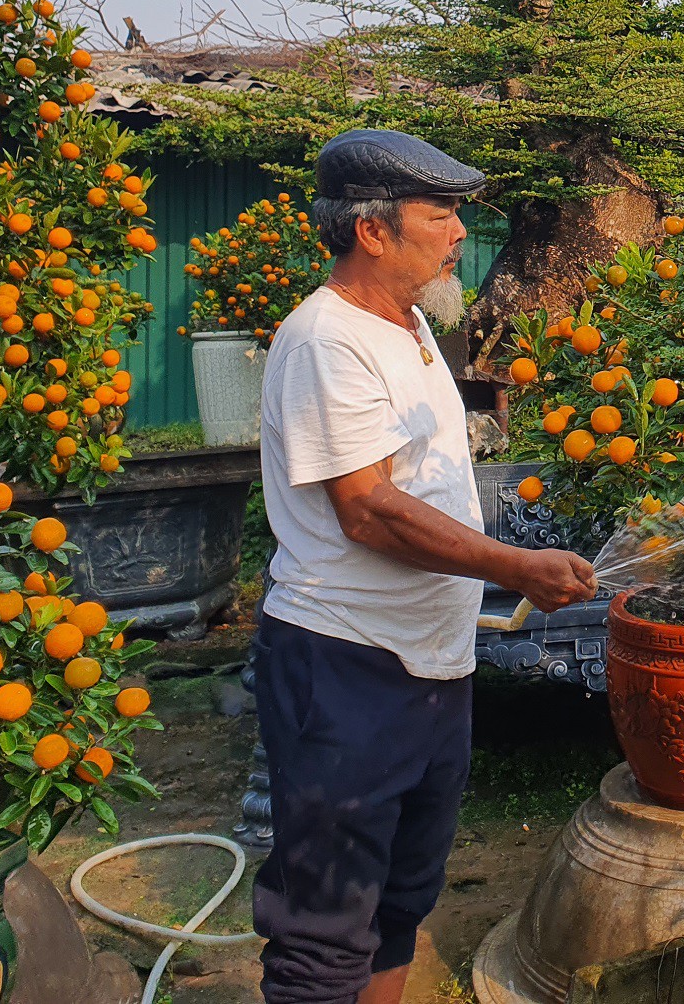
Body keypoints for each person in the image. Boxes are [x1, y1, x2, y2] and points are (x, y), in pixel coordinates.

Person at [252, 128, 596, 1004]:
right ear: (372, 231)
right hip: (346, 663)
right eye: (440, 214)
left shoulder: (404, 326)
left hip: (428, 662)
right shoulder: (327, 340)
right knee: (326, 922)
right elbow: (367, 510)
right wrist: (514, 566)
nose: (457, 234)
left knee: (402, 897)